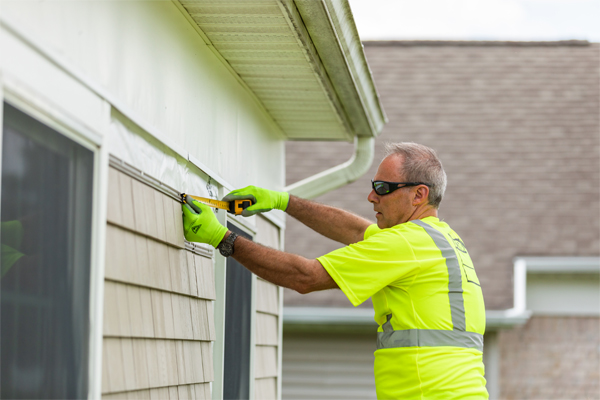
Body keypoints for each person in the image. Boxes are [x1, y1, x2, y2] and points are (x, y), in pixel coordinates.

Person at [182, 142, 488, 399]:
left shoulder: (407, 244)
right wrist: (282, 201)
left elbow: (306, 277)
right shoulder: (439, 238)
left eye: (383, 188)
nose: (371, 196)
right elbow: (356, 230)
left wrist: (222, 239)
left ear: (419, 195)